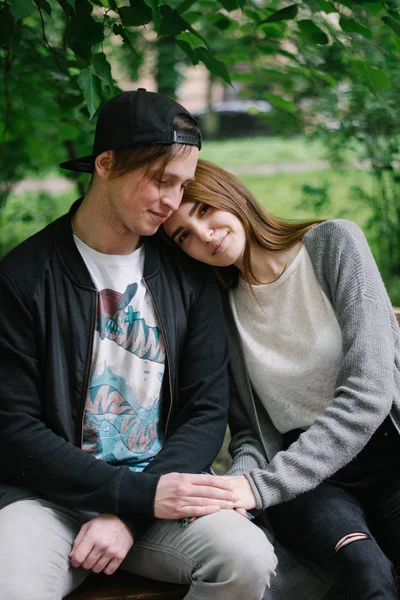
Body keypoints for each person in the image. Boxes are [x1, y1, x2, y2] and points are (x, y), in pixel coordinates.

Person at [0, 92, 277, 600]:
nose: (173, 202)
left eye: (184, 185)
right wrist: (133, 496)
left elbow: (204, 410)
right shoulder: (22, 279)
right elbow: (14, 429)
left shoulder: (190, 278)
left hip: (163, 488)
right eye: (160, 180)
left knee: (247, 559)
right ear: (105, 164)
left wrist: (135, 508)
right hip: (48, 498)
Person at [163, 158, 400, 600]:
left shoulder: (334, 244)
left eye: (202, 210)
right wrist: (234, 491)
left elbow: (370, 393)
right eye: (184, 236)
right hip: (309, 482)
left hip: (389, 454)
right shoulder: (221, 311)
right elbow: (252, 435)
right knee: (364, 573)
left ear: (229, 195)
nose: (204, 236)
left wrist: (257, 487)